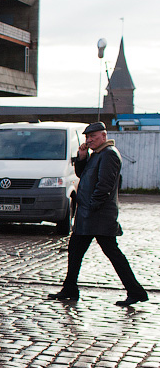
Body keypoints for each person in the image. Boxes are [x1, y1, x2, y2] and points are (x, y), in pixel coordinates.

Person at [48, 121, 148, 306]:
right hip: (87, 215)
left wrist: (91, 206)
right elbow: (82, 174)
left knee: (112, 254)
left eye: (93, 136)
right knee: (75, 251)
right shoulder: (96, 154)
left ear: (104, 136)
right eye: (87, 137)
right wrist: (82, 156)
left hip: (98, 216)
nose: (90, 140)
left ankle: (136, 291)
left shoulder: (109, 155)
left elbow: (105, 186)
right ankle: (70, 288)